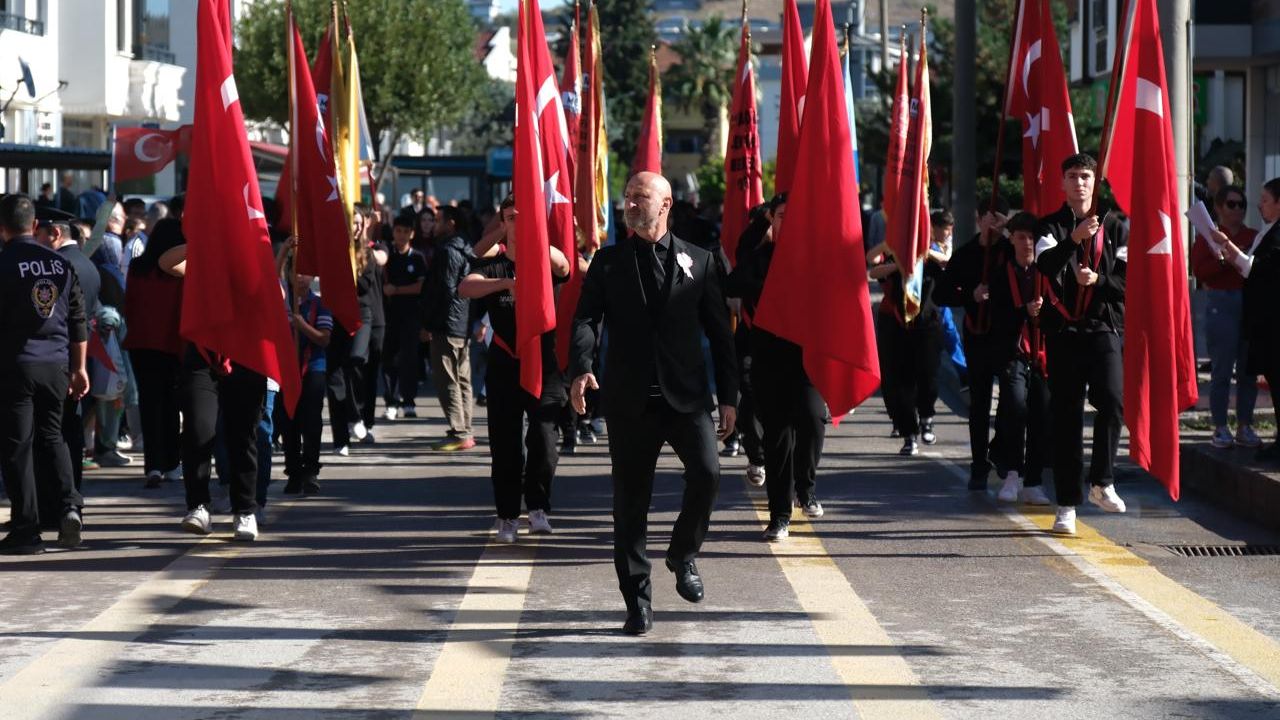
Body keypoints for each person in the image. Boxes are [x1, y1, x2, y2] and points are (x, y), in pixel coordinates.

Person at [570, 171, 738, 636]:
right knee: (630, 506)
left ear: (665, 205)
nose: (629, 204)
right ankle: (637, 602)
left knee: (708, 472)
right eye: (626, 197)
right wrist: (582, 367)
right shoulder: (608, 263)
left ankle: (683, 554)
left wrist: (730, 397)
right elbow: (586, 319)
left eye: (639, 197)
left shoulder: (699, 261)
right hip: (629, 401)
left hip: (686, 399)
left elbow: (721, 336)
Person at [460, 195, 571, 543]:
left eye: (523, 217)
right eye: (510, 218)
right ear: (502, 222)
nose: (517, 223)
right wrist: (507, 284)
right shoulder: (494, 264)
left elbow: (565, 266)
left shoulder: (543, 261)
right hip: (505, 361)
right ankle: (507, 515)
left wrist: (537, 237)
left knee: (544, 439)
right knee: (505, 444)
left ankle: (537, 507)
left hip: (544, 363)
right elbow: (466, 287)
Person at [1035, 153, 1129, 536]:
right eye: (1072, 176)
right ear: (1062, 183)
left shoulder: (1117, 226)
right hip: (1063, 332)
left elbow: (1127, 282)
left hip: (1102, 326)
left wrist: (1098, 282)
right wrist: (1073, 240)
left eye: (1086, 176)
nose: (1079, 183)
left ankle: (1102, 480)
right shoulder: (1050, 226)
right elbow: (1044, 265)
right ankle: (1066, 503)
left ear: (1096, 181)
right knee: (1066, 415)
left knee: (1111, 398)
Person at [727, 193, 826, 542]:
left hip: (806, 360)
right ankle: (780, 515)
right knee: (777, 438)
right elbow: (734, 282)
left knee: (813, 421)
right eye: (780, 216)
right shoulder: (760, 258)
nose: (786, 222)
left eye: (792, 216)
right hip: (769, 360)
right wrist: (772, 285)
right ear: (772, 219)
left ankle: (806, 488)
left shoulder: (812, 258)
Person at [158, 241, 267, 542]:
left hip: (245, 357)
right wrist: (199, 239)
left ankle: (244, 508)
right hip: (203, 358)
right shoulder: (201, 264)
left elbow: (277, 294)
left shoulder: (254, 259)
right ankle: (199, 506)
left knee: (243, 435)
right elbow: (166, 263)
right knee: (197, 429)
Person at [0, 193, 89, 554]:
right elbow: (78, 319)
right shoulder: (60, 264)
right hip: (56, 364)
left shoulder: (4, 265)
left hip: (15, 366)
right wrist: (79, 368)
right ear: (34, 225)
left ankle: (27, 528)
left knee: (18, 448)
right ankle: (69, 505)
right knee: (54, 437)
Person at [937, 198, 1012, 489]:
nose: (993, 226)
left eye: (1000, 220)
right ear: (978, 220)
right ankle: (978, 463)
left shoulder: (1010, 251)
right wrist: (971, 295)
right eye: (989, 220)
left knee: (1012, 400)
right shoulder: (966, 254)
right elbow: (941, 295)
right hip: (977, 336)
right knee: (979, 403)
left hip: (1007, 336)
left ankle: (1000, 448)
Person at [986, 212, 1053, 505]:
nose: (1027, 243)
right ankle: (1012, 473)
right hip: (1014, 352)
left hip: (1044, 354)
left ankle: (1034, 480)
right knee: (1014, 407)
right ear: (1011, 239)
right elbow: (997, 316)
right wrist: (1024, 310)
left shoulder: (1047, 272)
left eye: (1031, 237)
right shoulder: (1001, 274)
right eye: (1021, 237)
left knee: (1041, 414)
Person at [868, 219, 946, 456]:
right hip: (897, 325)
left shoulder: (931, 255)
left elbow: (948, 261)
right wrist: (894, 256)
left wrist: (925, 253)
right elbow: (873, 267)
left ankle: (927, 416)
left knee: (928, 374)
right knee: (900, 382)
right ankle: (909, 435)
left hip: (926, 324)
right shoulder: (894, 255)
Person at [1191, 185, 1260, 449]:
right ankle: (1220, 426)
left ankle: (1245, 425)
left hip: (1248, 303)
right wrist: (1224, 259)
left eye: (1241, 204)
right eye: (1231, 204)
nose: (1238, 210)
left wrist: (1235, 256)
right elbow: (1201, 271)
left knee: (1248, 370)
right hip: (1222, 302)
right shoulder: (1208, 238)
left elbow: (1254, 269)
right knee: (1221, 370)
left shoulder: (1252, 235)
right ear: (1219, 208)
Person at [124, 218, 186, 488]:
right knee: (171, 405)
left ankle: (154, 466)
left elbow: (130, 304)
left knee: (150, 405)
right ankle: (172, 462)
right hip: (172, 344)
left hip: (141, 343)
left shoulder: (137, 267)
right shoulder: (178, 270)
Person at [1229, 177, 1280, 460]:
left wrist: (1230, 248)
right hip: (1264, 323)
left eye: (1265, 200)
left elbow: (1259, 270)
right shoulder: (1268, 231)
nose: (1259, 205)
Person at [425, 205, 476, 451]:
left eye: (438, 220)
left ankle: (458, 431)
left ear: (451, 223)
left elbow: (444, 290)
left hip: (447, 324)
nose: (435, 225)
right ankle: (466, 429)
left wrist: (431, 323)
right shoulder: (466, 247)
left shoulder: (447, 251)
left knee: (447, 379)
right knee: (463, 379)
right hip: (462, 323)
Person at [280, 269, 332, 494]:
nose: (300, 277)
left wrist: (302, 326)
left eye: (305, 273)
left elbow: (324, 338)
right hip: (286, 369)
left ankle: (310, 470)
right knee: (288, 421)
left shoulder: (319, 304)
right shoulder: (283, 300)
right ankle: (293, 472)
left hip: (312, 369)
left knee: (311, 422)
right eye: (296, 273)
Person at [382, 213, 426, 419]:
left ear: (412, 234)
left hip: (411, 316)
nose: (401, 235)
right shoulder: (386, 256)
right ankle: (391, 402)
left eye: (406, 232)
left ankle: (408, 401)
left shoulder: (417, 258)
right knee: (389, 359)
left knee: (409, 359)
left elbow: (421, 286)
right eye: (398, 231)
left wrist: (397, 290)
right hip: (388, 316)